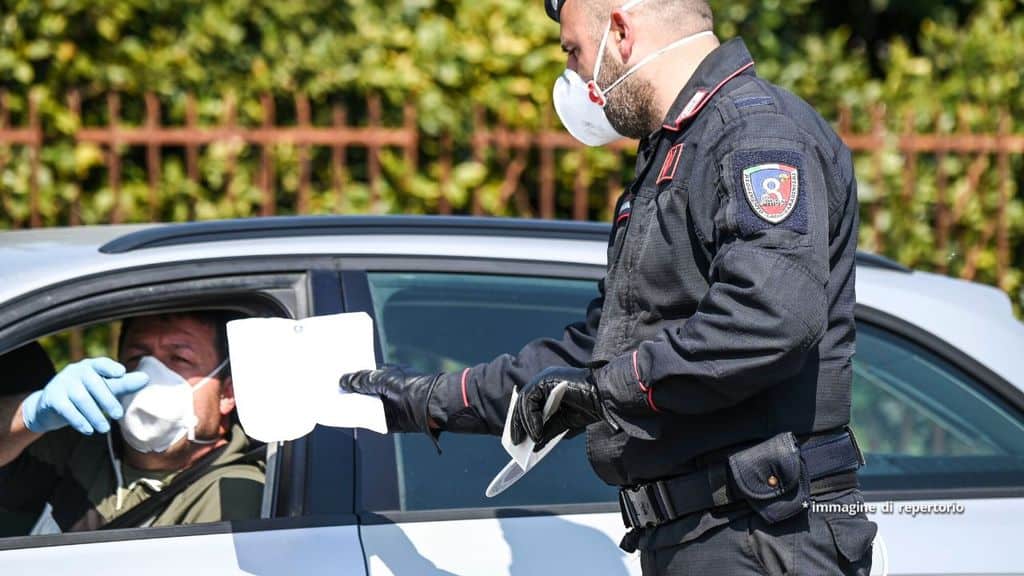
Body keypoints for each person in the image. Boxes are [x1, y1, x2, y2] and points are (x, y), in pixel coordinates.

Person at [341, 0, 876, 574]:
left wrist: (606, 391)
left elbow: (768, 318)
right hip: (706, 531)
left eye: (573, 52)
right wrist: (428, 401)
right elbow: (595, 353)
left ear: (619, 31)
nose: (575, 79)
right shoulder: (676, 151)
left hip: (759, 532)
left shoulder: (755, 134)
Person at [0, 311, 264, 532]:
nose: (150, 376)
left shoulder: (232, 491)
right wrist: (30, 414)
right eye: (137, 358)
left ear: (228, 393)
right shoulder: (83, 447)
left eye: (180, 359)